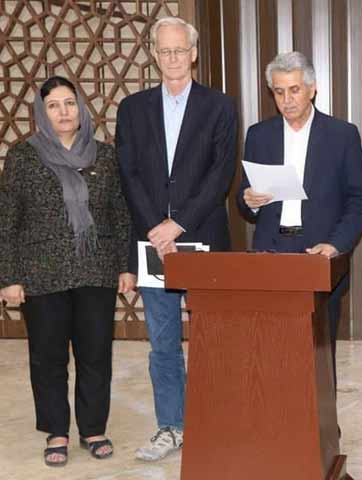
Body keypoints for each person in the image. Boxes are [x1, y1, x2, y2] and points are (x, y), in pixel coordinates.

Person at [116, 16, 238, 461]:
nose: (172, 58)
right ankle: (171, 426)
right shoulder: (133, 108)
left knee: (211, 339)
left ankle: (213, 424)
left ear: (194, 54)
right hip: (153, 243)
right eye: (164, 50)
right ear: (154, 54)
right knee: (163, 342)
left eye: (179, 50)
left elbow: (221, 173)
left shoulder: (220, 106)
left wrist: (178, 223)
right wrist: (156, 227)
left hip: (202, 236)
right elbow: (128, 173)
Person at [0, 76, 135, 466]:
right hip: (41, 271)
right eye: (54, 105)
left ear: (81, 108)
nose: (63, 112)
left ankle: (93, 428)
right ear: (42, 113)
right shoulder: (23, 156)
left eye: (70, 103)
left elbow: (120, 214)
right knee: (48, 356)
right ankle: (56, 430)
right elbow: (7, 219)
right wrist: (9, 277)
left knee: (95, 353)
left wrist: (125, 267)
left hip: (96, 269)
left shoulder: (104, 155)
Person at [237, 51, 362, 381]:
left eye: (294, 90)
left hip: (320, 255)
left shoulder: (342, 135)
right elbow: (244, 201)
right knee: (272, 350)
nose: (287, 100)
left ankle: (321, 414)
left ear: (312, 88)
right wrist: (249, 200)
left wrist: (335, 245)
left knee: (318, 353)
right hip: (271, 253)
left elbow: (358, 203)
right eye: (279, 91)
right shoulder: (259, 135)